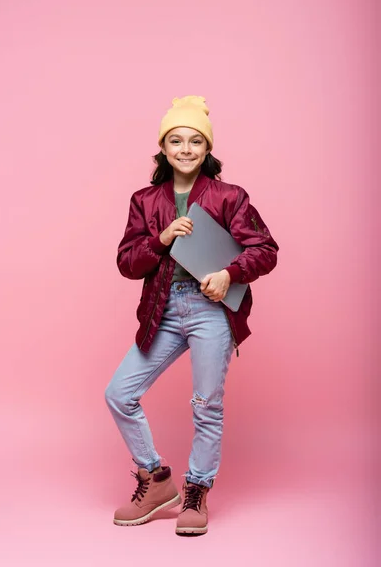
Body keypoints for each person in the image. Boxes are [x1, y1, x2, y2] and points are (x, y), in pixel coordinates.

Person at [105, 96, 279, 536]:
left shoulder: (229, 196)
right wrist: (161, 238)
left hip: (210, 311)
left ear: (207, 149)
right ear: (163, 148)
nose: (185, 148)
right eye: (176, 139)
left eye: (195, 140)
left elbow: (265, 250)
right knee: (119, 394)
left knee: (206, 405)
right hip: (162, 310)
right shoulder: (144, 201)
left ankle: (197, 490)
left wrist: (229, 274)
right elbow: (128, 264)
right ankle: (156, 478)